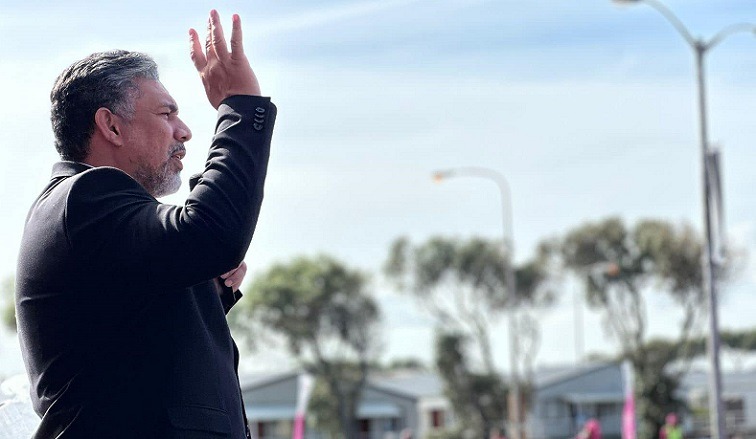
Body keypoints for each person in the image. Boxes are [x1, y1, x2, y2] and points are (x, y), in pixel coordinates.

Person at [15, 10, 276, 439]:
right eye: (167, 114)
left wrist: (207, 286)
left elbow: (136, 340)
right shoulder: (84, 197)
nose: (184, 131)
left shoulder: (93, 218)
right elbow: (210, 232)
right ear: (111, 126)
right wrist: (241, 105)